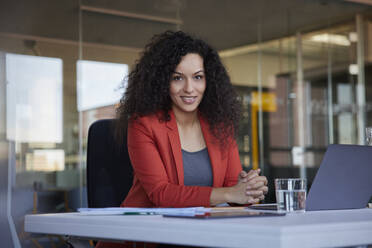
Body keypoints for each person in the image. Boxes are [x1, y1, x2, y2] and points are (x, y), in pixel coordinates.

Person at [115, 30, 268, 209]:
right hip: (150, 230)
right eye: (178, 78)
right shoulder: (144, 125)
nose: (189, 88)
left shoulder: (220, 126)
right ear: (162, 81)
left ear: (208, 81)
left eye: (198, 77)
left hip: (201, 231)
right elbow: (161, 194)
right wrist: (228, 192)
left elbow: (234, 194)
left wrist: (248, 189)